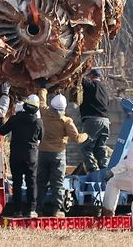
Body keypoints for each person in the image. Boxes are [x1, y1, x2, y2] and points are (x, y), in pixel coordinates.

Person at [36, 84, 88, 217]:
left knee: (41, 181)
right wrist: (86, 135)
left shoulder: (45, 113)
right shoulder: (66, 121)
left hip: (43, 152)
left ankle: (38, 208)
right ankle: (56, 210)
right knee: (57, 182)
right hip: (58, 155)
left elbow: (41, 101)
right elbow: (76, 138)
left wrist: (43, 87)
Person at [0, 94, 42, 218]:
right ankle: (32, 209)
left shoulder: (15, 119)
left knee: (17, 182)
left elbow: (2, 131)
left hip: (16, 155)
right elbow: (40, 137)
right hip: (31, 155)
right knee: (31, 182)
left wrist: (0, 118)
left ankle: (17, 210)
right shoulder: (38, 122)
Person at [80, 69, 111, 172]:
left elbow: (80, 79)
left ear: (91, 76)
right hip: (105, 121)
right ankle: (104, 169)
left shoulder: (91, 85)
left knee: (86, 147)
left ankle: (93, 170)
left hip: (92, 120)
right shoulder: (105, 90)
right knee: (101, 147)